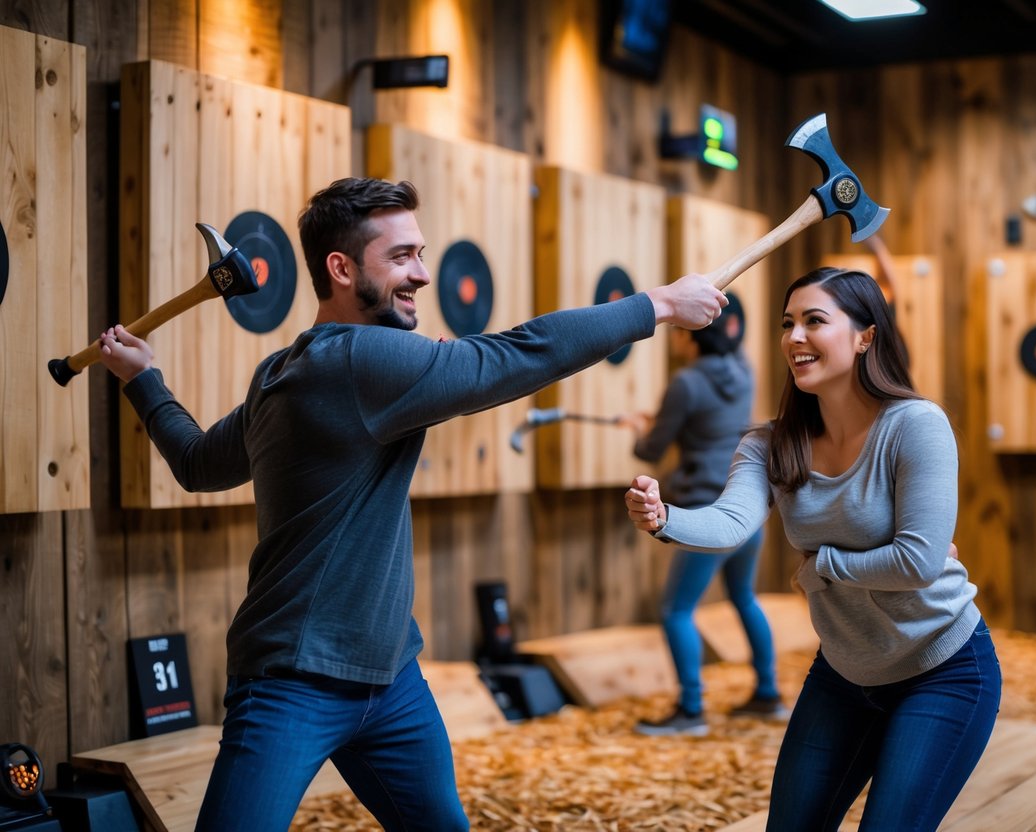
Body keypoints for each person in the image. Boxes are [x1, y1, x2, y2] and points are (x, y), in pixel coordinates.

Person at [96, 176, 727, 832]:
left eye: (422, 255)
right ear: (340, 269)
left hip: (390, 677)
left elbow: (198, 465)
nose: (423, 275)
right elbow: (515, 356)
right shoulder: (358, 361)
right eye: (401, 257)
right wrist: (655, 305)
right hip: (295, 682)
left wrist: (144, 380)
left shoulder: (286, 368)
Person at [624, 266, 1000, 831]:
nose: (794, 338)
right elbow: (731, 523)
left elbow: (918, 563)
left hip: (942, 669)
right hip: (845, 672)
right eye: (787, 324)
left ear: (865, 335)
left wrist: (822, 568)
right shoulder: (770, 444)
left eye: (814, 321)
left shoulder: (916, 426)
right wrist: (664, 519)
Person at [617, 315, 783, 737]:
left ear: (692, 339)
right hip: (746, 506)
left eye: (679, 330)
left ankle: (691, 709)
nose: (674, 337)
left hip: (705, 512)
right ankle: (768, 693)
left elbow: (653, 448)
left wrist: (640, 430)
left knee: (676, 610)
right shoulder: (744, 370)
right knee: (744, 597)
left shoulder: (686, 383)